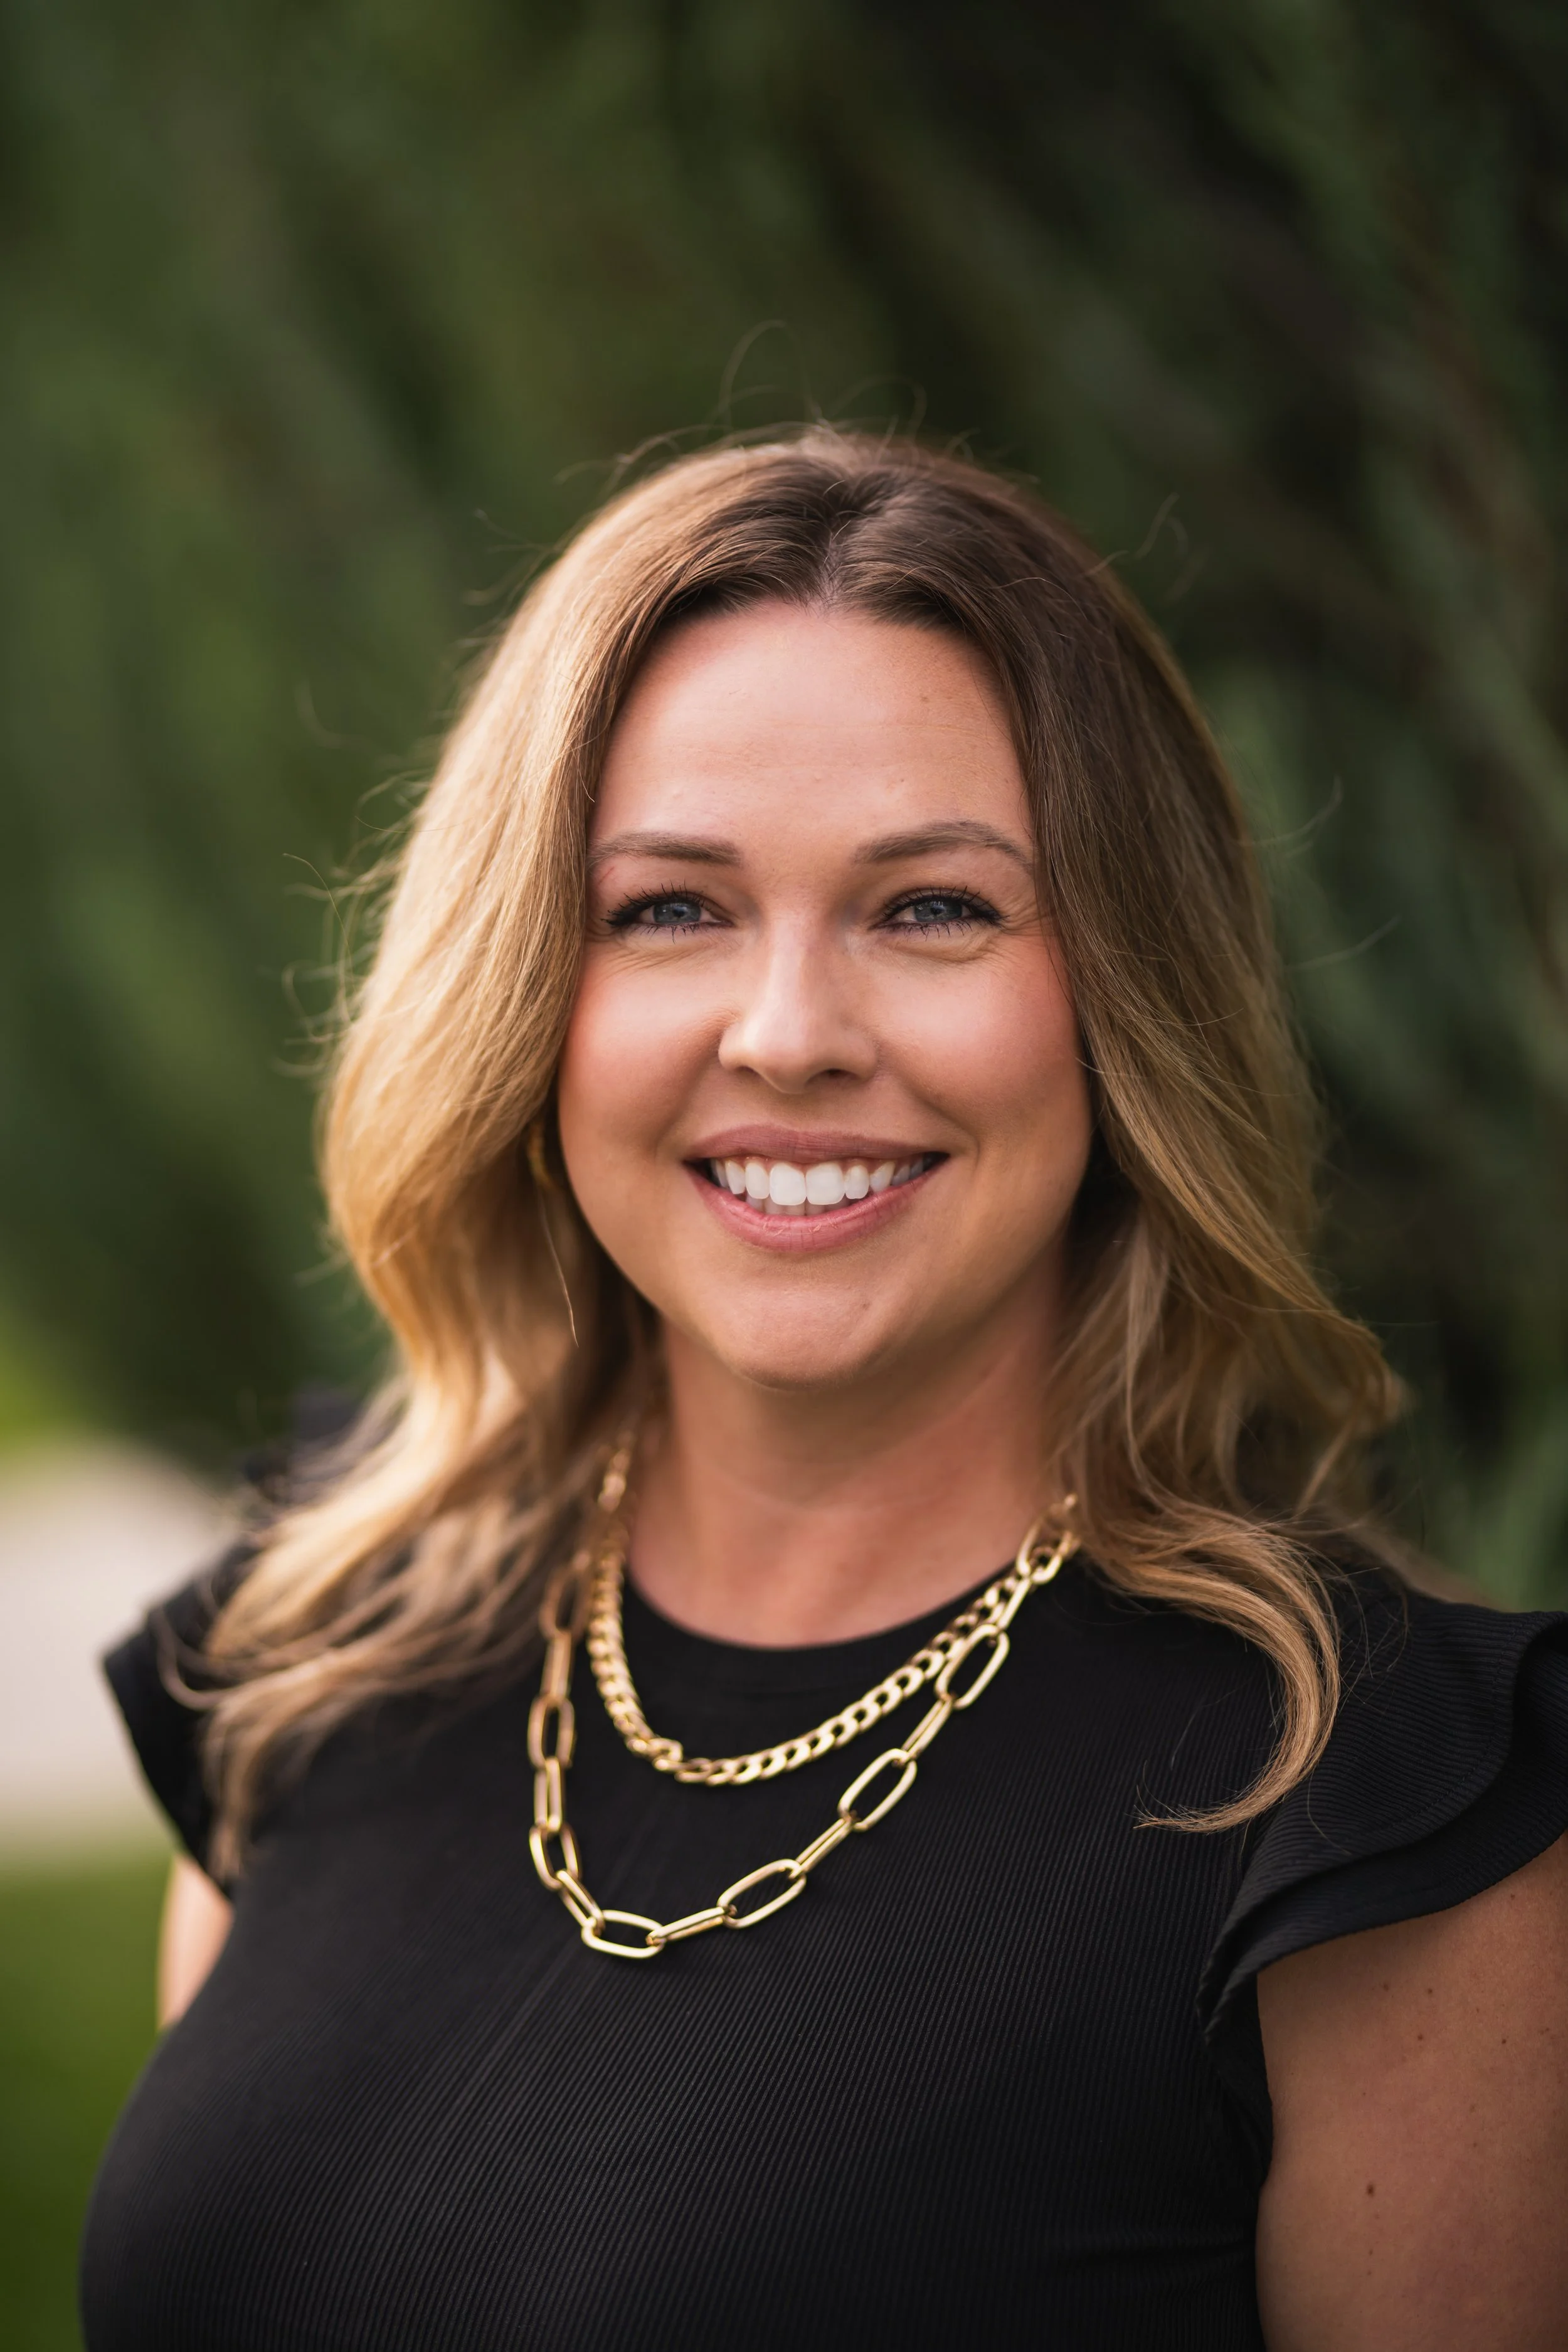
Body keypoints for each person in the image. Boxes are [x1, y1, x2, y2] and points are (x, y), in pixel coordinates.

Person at [83, 434, 1568, 2351]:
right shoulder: (322, 1636)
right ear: (525, 987)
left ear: (1125, 992)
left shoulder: (1373, 1820)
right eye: (667, 908)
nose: (788, 1035)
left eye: (932, 906)